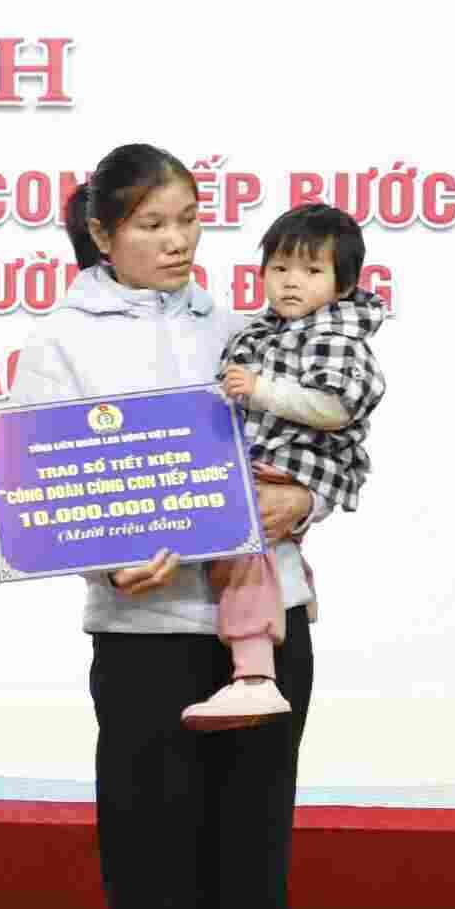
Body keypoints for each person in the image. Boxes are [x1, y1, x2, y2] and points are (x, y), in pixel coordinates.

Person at [10, 143, 321, 909]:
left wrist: (306, 495)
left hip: (264, 630)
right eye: (150, 223)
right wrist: (105, 552)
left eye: (188, 217)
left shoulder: (242, 325)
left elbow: (316, 437)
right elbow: (42, 485)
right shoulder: (58, 334)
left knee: (250, 864)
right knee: (150, 863)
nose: (176, 239)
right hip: (144, 636)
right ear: (100, 232)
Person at [184, 203, 387, 730]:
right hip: (256, 462)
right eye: (279, 269)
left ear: (342, 285)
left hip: (289, 468)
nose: (291, 282)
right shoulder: (262, 331)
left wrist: (261, 389)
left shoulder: (337, 338)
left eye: (311, 271)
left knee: (241, 543)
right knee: (246, 551)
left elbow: (335, 407)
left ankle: (254, 676)